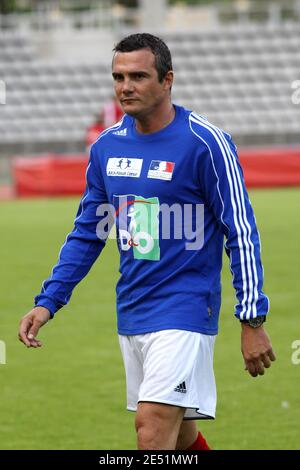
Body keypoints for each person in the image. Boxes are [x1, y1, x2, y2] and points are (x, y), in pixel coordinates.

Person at [18, 33, 276, 450]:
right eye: (118, 76)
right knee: (181, 436)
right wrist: (49, 301)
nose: (126, 86)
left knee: (151, 428)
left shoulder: (206, 143)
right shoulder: (106, 147)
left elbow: (241, 231)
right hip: (134, 308)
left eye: (138, 75)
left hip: (186, 307)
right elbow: (89, 231)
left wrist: (252, 320)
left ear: (167, 79)